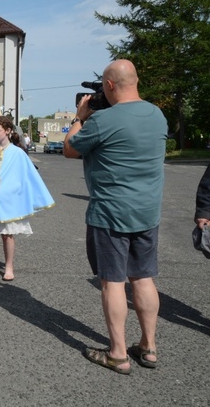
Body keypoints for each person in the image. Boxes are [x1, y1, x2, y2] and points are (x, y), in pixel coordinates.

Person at [64, 59, 167, 374]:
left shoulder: (102, 121)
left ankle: (118, 354)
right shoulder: (157, 115)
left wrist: (80, 117)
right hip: (147, 212)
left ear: (109, 85)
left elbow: (70, 148)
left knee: (113, 282)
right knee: (143, 277)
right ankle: (148, 347)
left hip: (110, 213)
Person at [0, 115, 54, 285]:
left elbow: (25, 177)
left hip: (8, 201)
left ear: (7, 131)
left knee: (7, 235)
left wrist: (11, 191)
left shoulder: (18, 153)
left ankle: (9, 267)